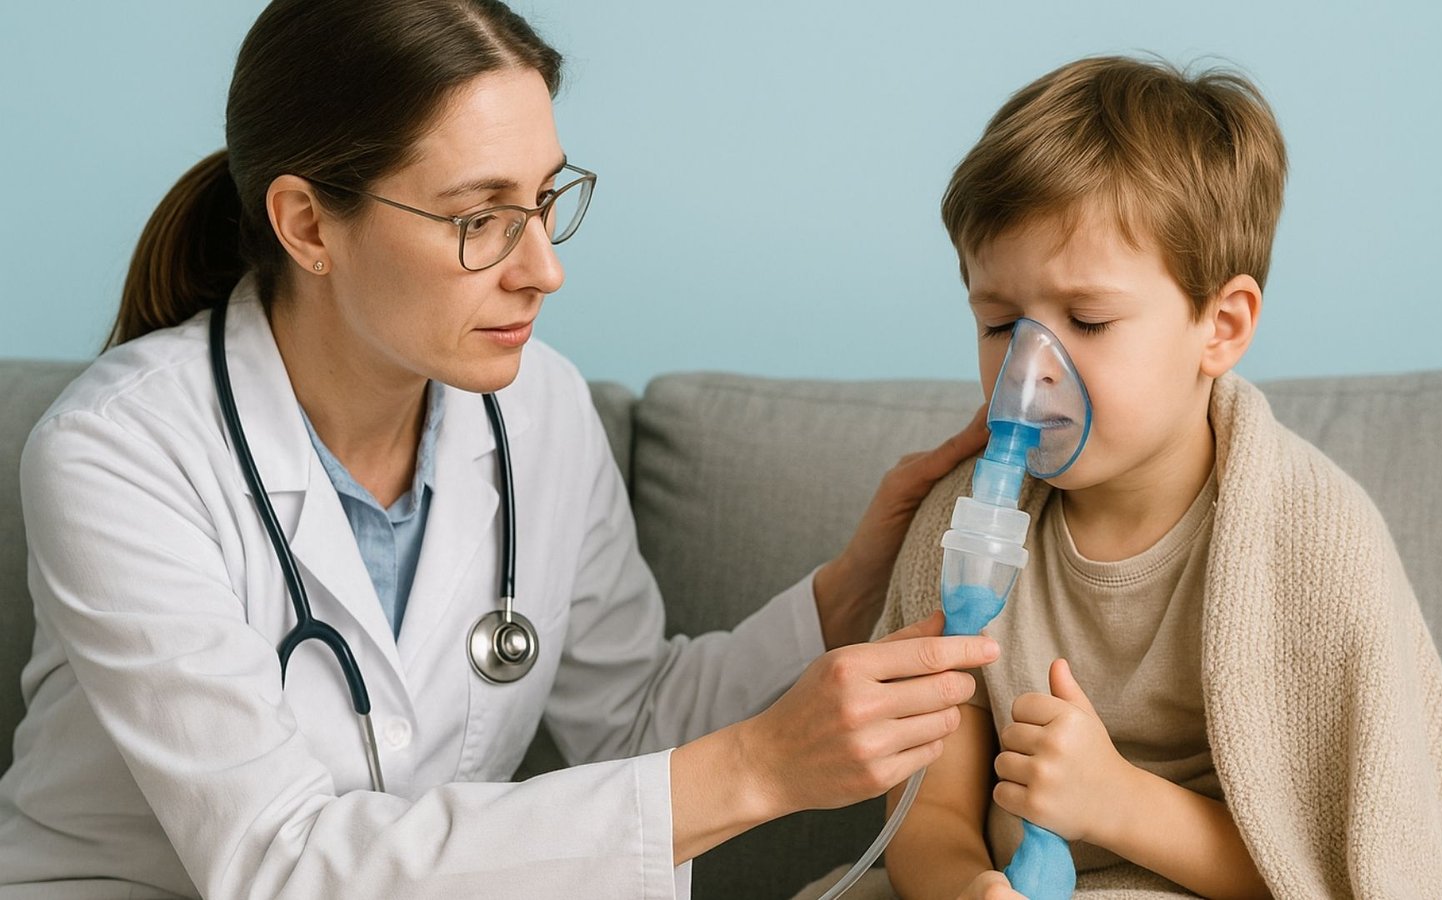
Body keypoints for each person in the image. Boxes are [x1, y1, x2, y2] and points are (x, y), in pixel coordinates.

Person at [0, 2, 1001, 897]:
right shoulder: (119, 453)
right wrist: (752, 769)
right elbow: (279, 861)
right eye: (480, 218)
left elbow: (633, 717)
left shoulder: (538, 409)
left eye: (546, 199)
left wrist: (856, 584)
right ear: (308, 223)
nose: (545, 269)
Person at [854, 56, 1442, 899]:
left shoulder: (1308, 541)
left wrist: (1116, 804)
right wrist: (966, 888)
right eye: (1000, 323)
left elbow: (1337, 868)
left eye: (1087, 320)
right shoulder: (958, 528)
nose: (1028, 372)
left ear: (1220, 327)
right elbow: (923, 818)